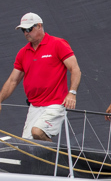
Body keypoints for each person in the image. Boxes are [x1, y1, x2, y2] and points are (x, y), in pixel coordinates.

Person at [0, 13, 82, 141]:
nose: (26, 33)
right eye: (23, 30)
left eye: (29, 29)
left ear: (39, 26)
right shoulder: (23, 52)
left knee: (37, 132)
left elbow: (75, 69)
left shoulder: (57, 44)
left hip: (56, 103)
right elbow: (12, 80)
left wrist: (72, 93)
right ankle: (53, 159)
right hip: (34, 106)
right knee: (27, 147)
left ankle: (57, 158)